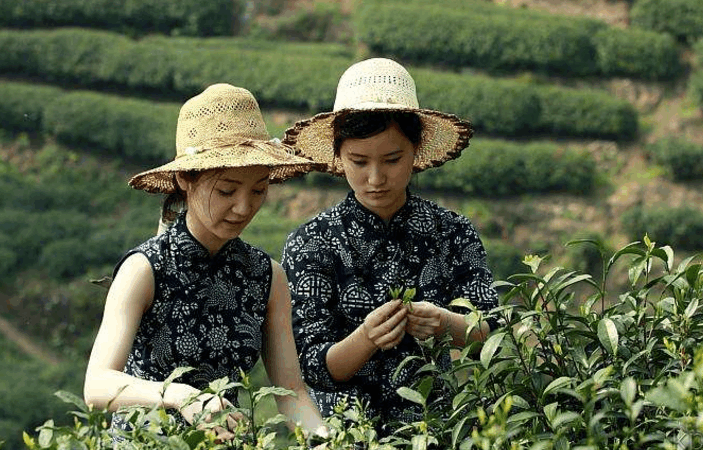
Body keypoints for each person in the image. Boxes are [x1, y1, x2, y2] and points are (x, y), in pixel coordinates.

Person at [83, 83, 327, 442]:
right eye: (227, 191)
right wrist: (181, 396)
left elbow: (292, 394)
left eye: (258, 190)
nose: (244, 207)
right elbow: (97, 386)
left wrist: (326, 441)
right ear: (185, 179)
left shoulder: (266, 276)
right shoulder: (145, 269)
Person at [280, 58, 499, 431]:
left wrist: (446, 322)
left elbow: (492, 333)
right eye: (359, 162)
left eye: (392, 160)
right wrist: (365, 338)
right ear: (339, 157)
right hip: (346, 436)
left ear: (416, 151)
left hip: (437, 431)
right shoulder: (311, 243)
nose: (375, 178)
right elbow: (311, 368)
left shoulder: (453, 233)